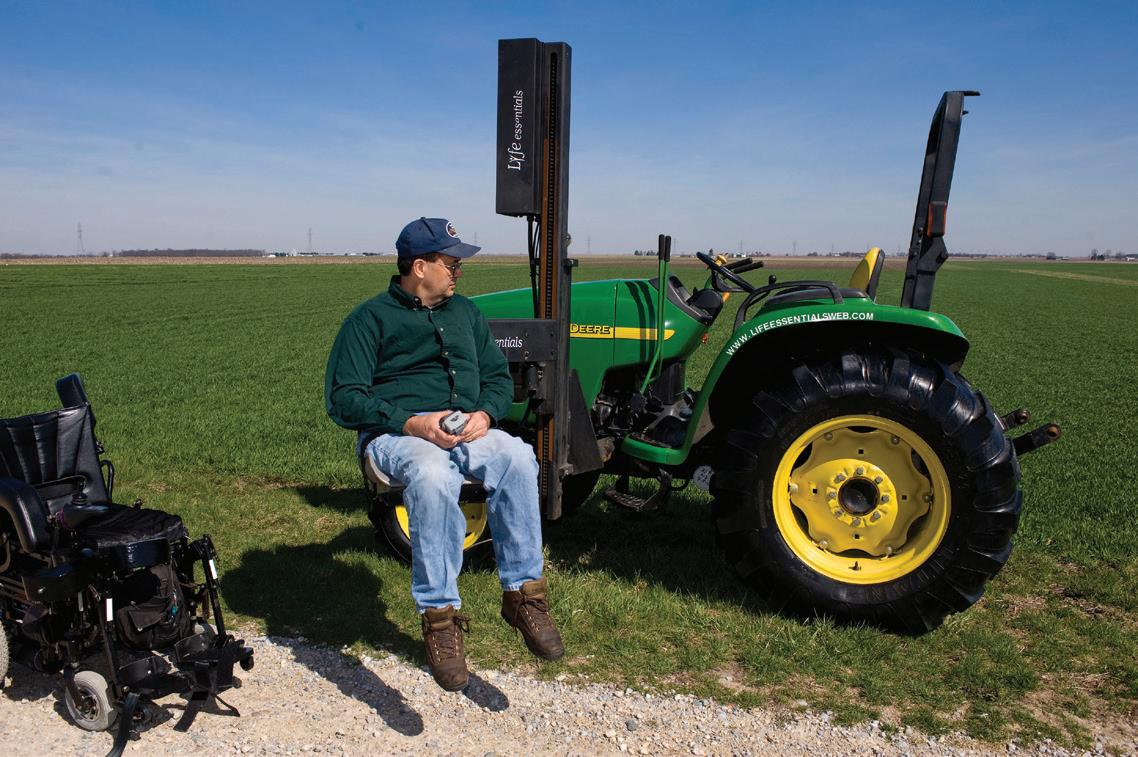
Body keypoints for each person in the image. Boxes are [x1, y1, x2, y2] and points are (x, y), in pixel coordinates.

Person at [324, 217, 563, 691]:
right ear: (419, 267)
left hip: (465, 427)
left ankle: (524, 596)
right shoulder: (368, 320)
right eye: (451, 263)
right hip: (398, 433)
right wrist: (413, 423)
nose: (459, 272)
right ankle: (440, 618)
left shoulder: (466, 314)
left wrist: (486, 415)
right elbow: (343, 398)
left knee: (518, 457)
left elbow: (497, 379)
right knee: (432, 473)